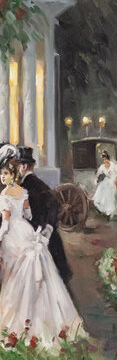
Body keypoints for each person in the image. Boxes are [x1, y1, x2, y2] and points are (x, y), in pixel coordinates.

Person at [0, 159, 84, 348]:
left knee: (13, 277)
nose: (2, 177)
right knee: (31, 274)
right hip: (27, 231)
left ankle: (18, 323)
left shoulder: (4, 195)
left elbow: (5, 224)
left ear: (13, 174)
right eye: (1, 174)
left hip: (12, 234)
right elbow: (28, 216)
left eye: (4, 174)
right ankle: (45, 323)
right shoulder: (23, 192)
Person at [16, 148, 73, 291]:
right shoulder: (40, 184)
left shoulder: (23, 187)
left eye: (17, 166)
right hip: (49, 237)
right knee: (55, 281)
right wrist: (49, 226)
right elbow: (54, 204)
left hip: (35, 238)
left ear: (23, 167)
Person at [92, 150, 117, 222]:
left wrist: (112, 181)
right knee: (100, 197)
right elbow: (98, 174)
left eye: (105, 159)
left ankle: (109, 213)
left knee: (109, 196)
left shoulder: (113, 165)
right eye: (103, 159)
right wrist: (96, 180)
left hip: (111, 182)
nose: (105, 161)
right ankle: (104, 212)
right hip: (104, 182)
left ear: (108, 158)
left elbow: (115, 175)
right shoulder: (102, 167)